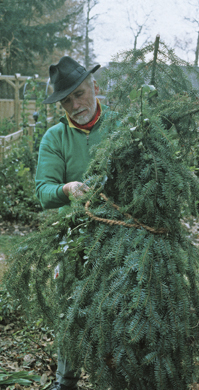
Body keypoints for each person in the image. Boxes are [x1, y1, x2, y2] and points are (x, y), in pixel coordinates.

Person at [35, 56, 111, 390]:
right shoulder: (55, 138)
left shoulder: (122, 126)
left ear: (95, 87)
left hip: (123, 233)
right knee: (73, 309)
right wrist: (68, 189)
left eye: (79, 94)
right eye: (67, 100)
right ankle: (65, 382)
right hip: (75, 236)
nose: (75, 104)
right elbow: (43, 191)